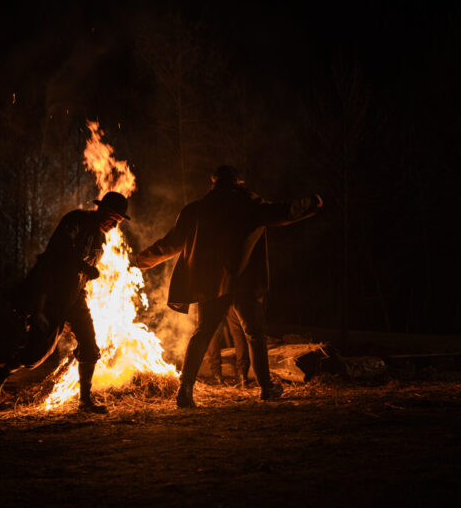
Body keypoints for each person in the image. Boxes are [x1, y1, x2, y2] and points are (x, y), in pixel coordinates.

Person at [135, 165, 322, 408]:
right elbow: (285, 211)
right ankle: (266, 388)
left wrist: (143, 260)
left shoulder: (196, 210)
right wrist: (312, 203)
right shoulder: (251, 205)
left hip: (210, 286)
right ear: (238, 183)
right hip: (244, 283)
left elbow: (171, 243)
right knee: (255, 334)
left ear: (213, 185)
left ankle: (185, 390)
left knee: (203, 333)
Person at [0, 191, 130, 413]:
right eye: (113, 219)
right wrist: (38, 306)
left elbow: (82, 275)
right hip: (52, 295)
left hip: (76, 297)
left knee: (90, 347)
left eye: (118, 222)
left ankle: (85, 401)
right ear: (102, 211)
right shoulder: (75, 221)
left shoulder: (101, 238)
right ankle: (0, 375)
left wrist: (86, 283)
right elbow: (58, 252)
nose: (114, 226)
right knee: (36, 355)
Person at [206, 306, 250, 388]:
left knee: (213, 332)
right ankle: (242, 375)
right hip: (233, 296)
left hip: (215, 297)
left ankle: (217, 376)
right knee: (238, 332)